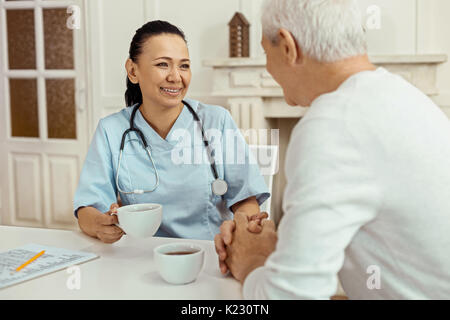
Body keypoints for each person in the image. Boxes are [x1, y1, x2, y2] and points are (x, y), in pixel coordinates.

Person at [215, 0, 450, 299]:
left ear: (288, 46)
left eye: (265, 52)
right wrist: (281, 248)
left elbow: (292, 297)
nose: (268, 66)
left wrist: (251, 262)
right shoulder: (403, 97)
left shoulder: (334, 124)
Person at [73, 20, 270, 243]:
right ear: (133, 70)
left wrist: (247, 225)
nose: (176, 77)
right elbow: (87, 210)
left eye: (184, 66)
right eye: (163, 65)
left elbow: (245, 198)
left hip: (208, 252)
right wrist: (100, 225)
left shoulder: (217, 120)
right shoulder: (111, 130)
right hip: (137, 255)